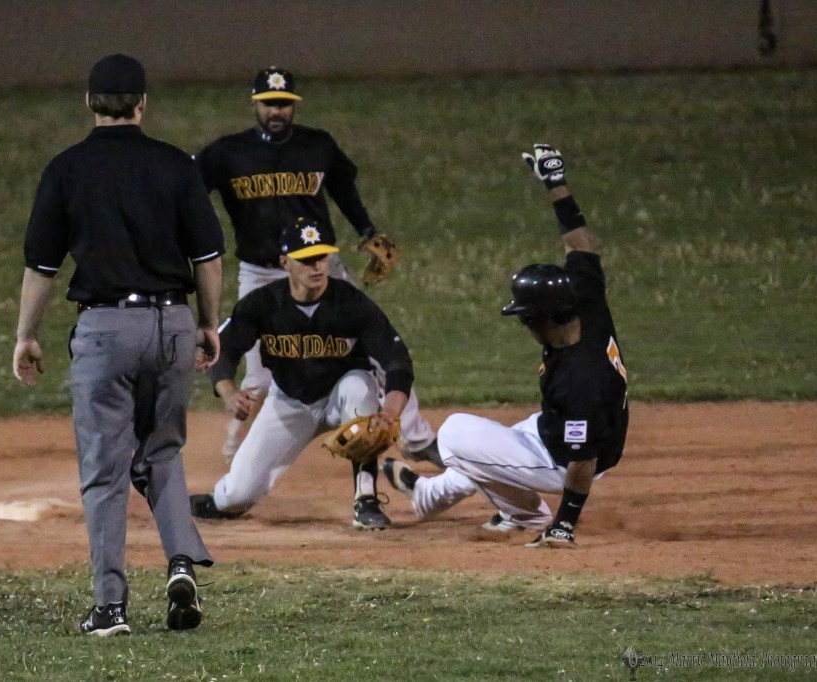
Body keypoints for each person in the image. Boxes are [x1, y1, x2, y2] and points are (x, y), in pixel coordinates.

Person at [12, 53, 224, 635]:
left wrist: (26, 335)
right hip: (171, 323)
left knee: (105, 469)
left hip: (106, 328)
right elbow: (207, 258)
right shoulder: (175, 165)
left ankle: (110, 607)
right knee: (163, 451)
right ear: (141, 104)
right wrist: (207, 324)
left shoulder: (66, 168)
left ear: (89, 103)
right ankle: (181, 563)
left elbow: (42, 265)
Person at [383, 144, 629, 548]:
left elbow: (582, 461)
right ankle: (428, 496)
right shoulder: (583, 299)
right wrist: (555, 182)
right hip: (554, 427)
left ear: (542, 319)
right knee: (479, 454)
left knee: (457, 435)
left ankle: (526, 515)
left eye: (526, 317)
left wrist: (565, 525)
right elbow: (580, 244)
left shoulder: (579, 379)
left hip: (566, 460)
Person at [193, 67, 440, 466]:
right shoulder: (227, 153)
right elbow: (188, 189)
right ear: (255, 104)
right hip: (260, 273)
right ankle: (239, 455)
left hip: (321, 268)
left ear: (294, 106)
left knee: (373, 354)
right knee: (258, 376)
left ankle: (416, 438)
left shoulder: (318, 146)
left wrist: (367, 231)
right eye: (270, 104)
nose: (277, 112)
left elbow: (344, 188)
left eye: (285, 105)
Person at [189, 218, 414, 530]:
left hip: (340, 396)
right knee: (234, 497)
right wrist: (228, 391)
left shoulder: (350, 303)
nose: (317, 267)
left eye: (321, 257)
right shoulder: (263, 304)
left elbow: (397, 359)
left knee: (359, 388)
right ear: (285, 263)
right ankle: (219, 499)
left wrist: (390, 410)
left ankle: (366, 499)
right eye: (306, 260)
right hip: (290, 402)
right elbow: (222, 350)